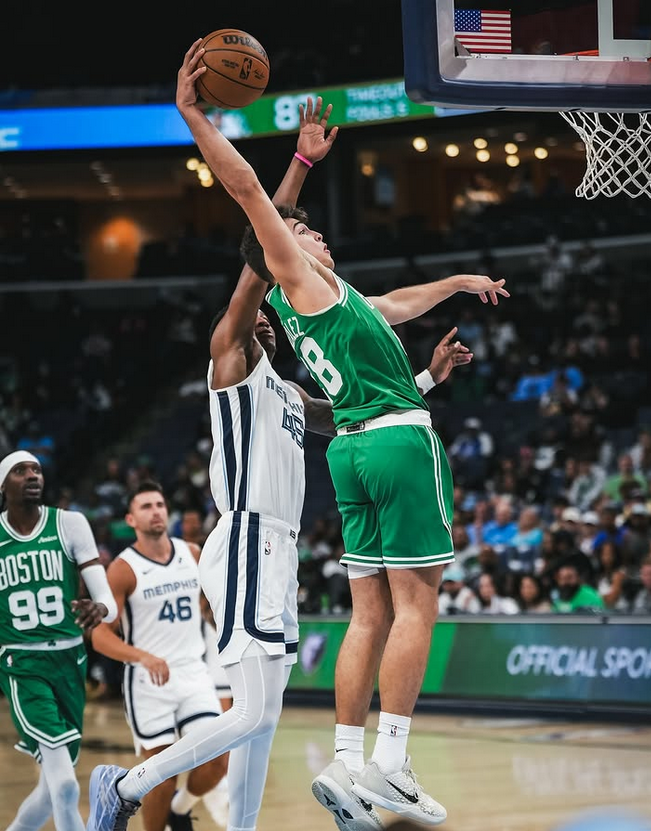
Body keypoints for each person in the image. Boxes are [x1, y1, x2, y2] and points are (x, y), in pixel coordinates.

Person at [85, 77, 473, 831]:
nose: (311, 245)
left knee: (261, 720)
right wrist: (286, 161)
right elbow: (261, 229)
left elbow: (354, 418)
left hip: (284, 541)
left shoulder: (289, 390)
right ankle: (126, 787)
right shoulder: (230, 356)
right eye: (293, 249)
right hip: (244, 538)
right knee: (254, 711)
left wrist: (425, 376)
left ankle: (246, 821)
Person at [177, 40, 506, 831]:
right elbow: (251, 193)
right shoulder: (297, 276)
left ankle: (351, 759)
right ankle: (393, 760)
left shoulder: (328, 300)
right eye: (305, 236)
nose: (317, 238)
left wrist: (458, 283)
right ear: (289, 253)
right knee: (416, 605)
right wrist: (193, 114)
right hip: (395, 443)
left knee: (366, 613)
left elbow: (395, 303)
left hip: (350, 452)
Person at [90, 480, 228, 831]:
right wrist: (142, 657)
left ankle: (179, 812)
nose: (156, 511)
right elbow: (100, 634)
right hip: (149, 682)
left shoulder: (192, 554)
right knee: (161, 779)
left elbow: (208, 606)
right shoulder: (123, 568)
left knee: (218, 760)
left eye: (160, 505)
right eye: (146, 507)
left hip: (194, 674)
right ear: (131, 519)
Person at [0, 450, 118, 831]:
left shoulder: (69, 524)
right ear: (3, 486)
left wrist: (99, 610)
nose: (32, 475)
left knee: (50, 790)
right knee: (66, 785)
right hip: (23, 665)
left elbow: (108, 604)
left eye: (36, 469)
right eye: (20, 471)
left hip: (70, 662)